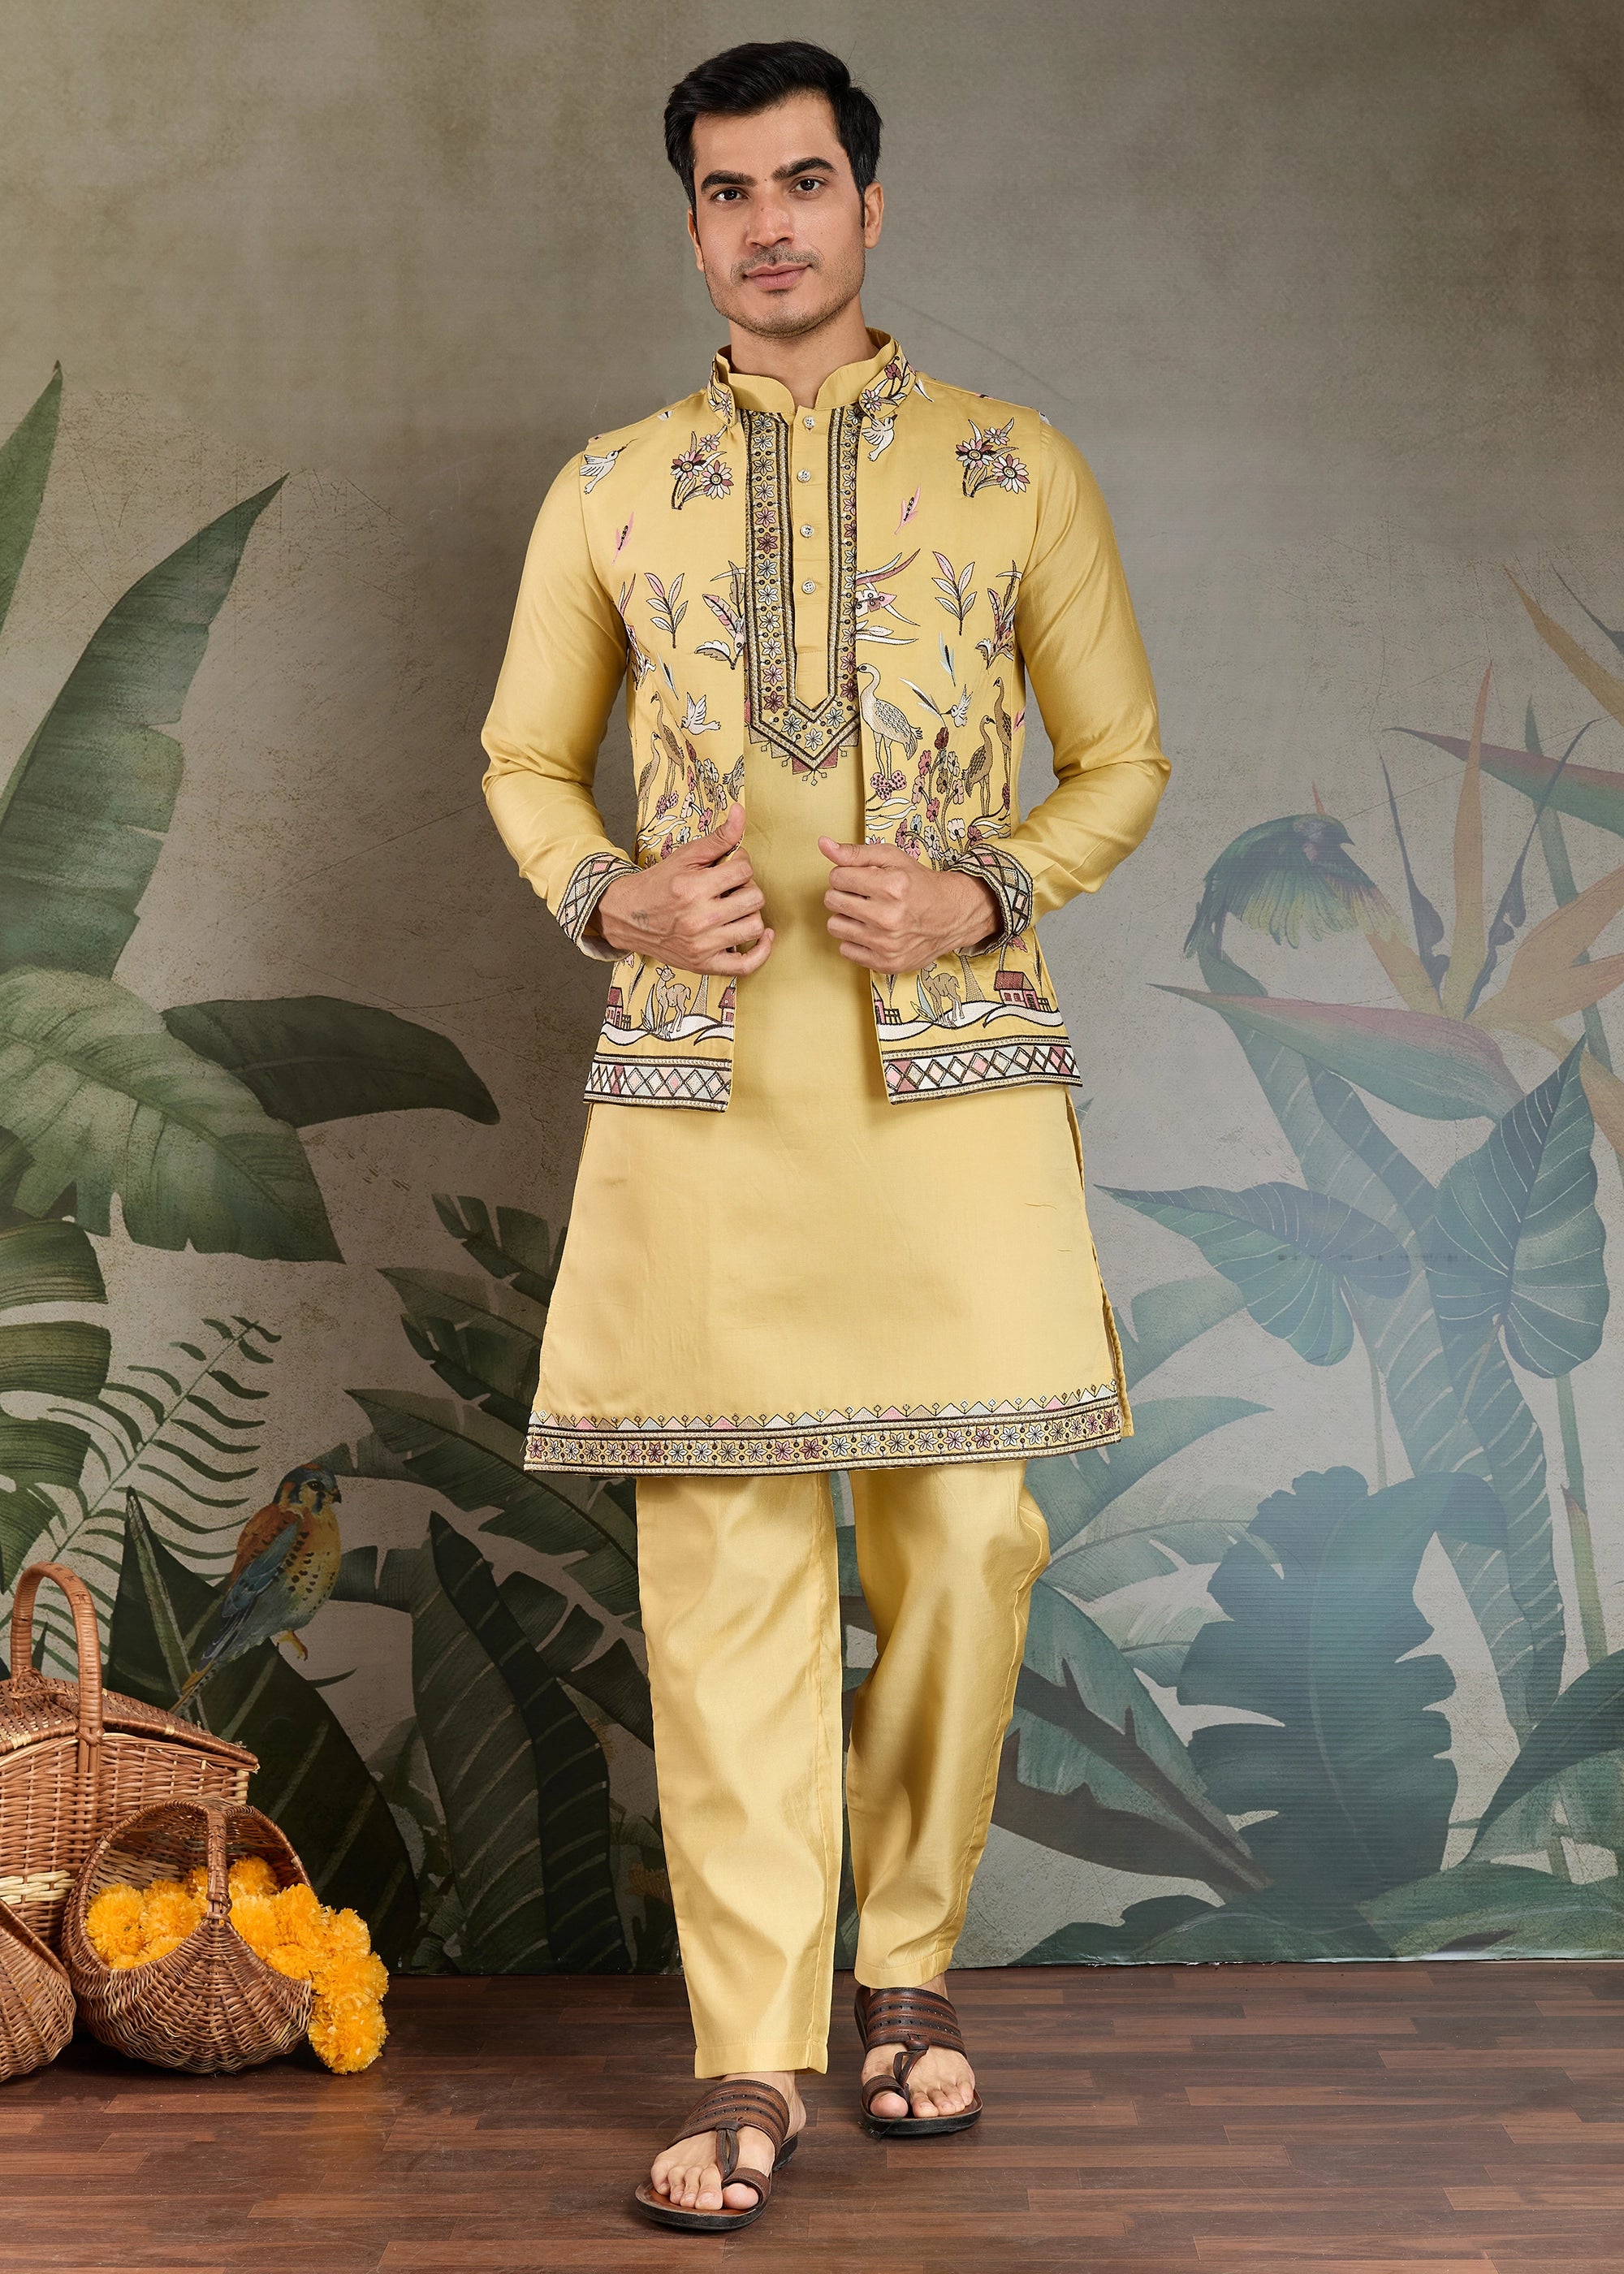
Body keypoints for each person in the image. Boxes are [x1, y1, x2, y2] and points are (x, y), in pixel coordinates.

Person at [481, 37, 1169, 2234]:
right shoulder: (610, 488)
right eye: (726, 191)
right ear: (692, 228)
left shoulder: (1012, 467)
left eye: (801, 182)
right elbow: (524, 762)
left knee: (966, 1545)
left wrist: (989, 891)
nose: (767, 223)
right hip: (705, 1093)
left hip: (947, 1085)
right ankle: (752, 2053)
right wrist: (611, 899)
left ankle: (910, 1969)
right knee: (724, 1576)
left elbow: (1124, 761)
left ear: (872, 206)